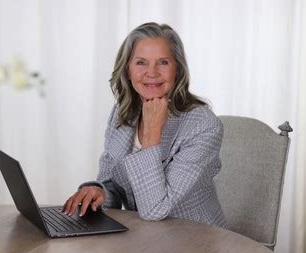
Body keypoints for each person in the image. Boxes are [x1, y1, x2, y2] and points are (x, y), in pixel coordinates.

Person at [62, 22, 226, 227]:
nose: (152, 72)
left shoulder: (203, 126)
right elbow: (111, 184)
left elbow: (155, 210)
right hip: (143, 234)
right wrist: (99, 192)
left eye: (163, 62)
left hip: (193, 240)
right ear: (128, 70)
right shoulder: (122, 113)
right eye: (141, 62)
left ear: (177, 69)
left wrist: (151, 137)